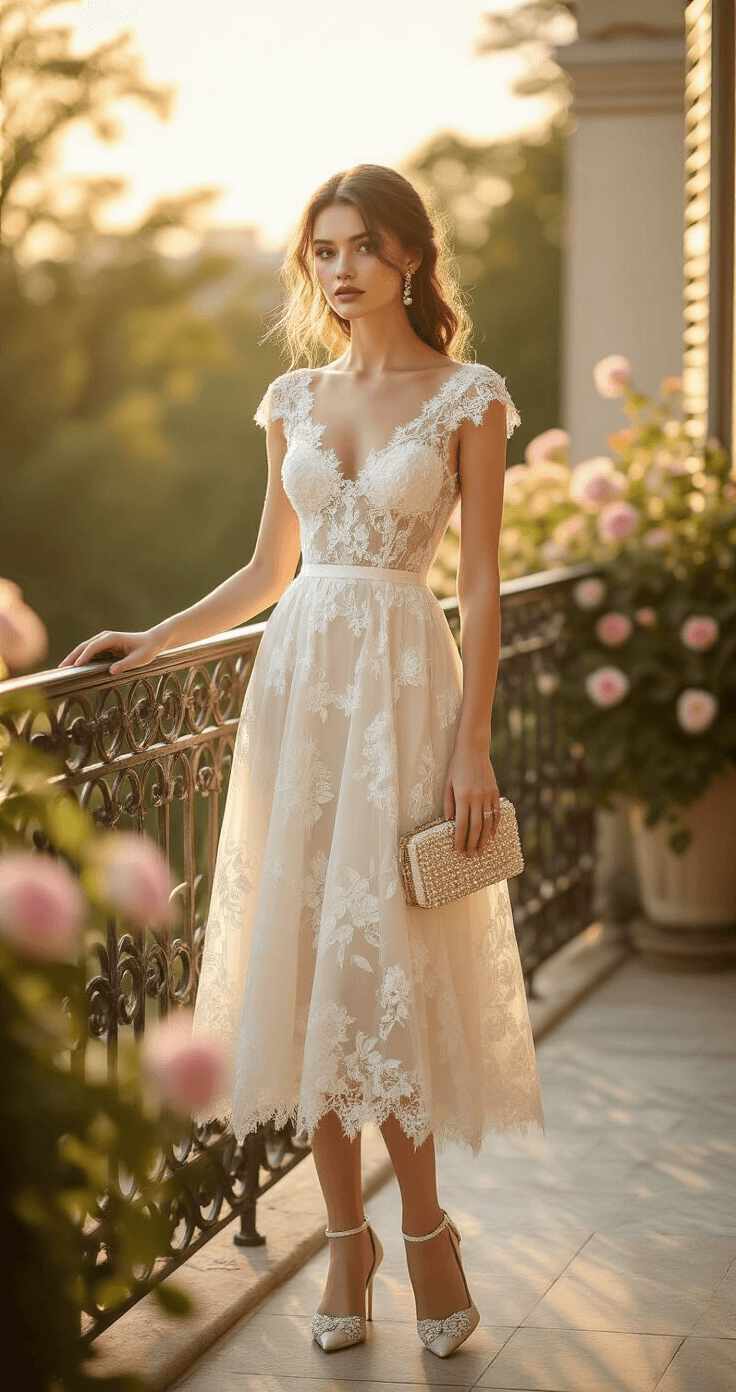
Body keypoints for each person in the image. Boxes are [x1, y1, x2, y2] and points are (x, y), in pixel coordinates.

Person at [60, 163, 544, 1358]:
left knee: (385, 971)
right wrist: (153, 639)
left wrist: (472, 746)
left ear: (410, 257)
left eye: (362, 246)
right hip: (296, 697)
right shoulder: (290, 397)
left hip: (405, 694)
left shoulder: (468, 397)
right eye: (323, 249)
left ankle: (424, 1235)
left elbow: (483, 586)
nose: (340, 269)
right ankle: (344, 1243)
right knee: (307, 964)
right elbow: (268, 571)